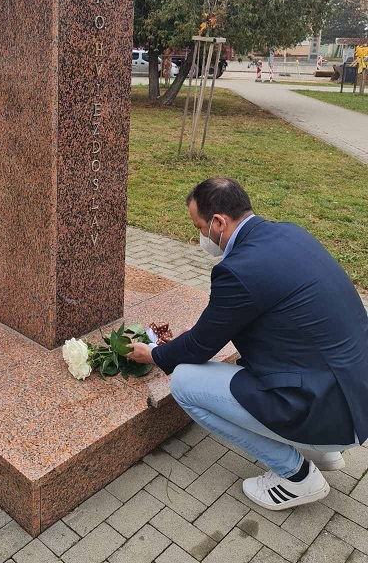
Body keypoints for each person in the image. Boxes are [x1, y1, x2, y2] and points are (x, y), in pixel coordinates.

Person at [126, 177, 368, 510]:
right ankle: (323, 450)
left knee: (184, 383)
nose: (199, 236)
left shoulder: (239, 270)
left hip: (328, 409)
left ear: (219, 222)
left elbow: (198, 347)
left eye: (199, 227)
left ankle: (297, 476)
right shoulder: (290, 233)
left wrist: (153, 353)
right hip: (355, 396)